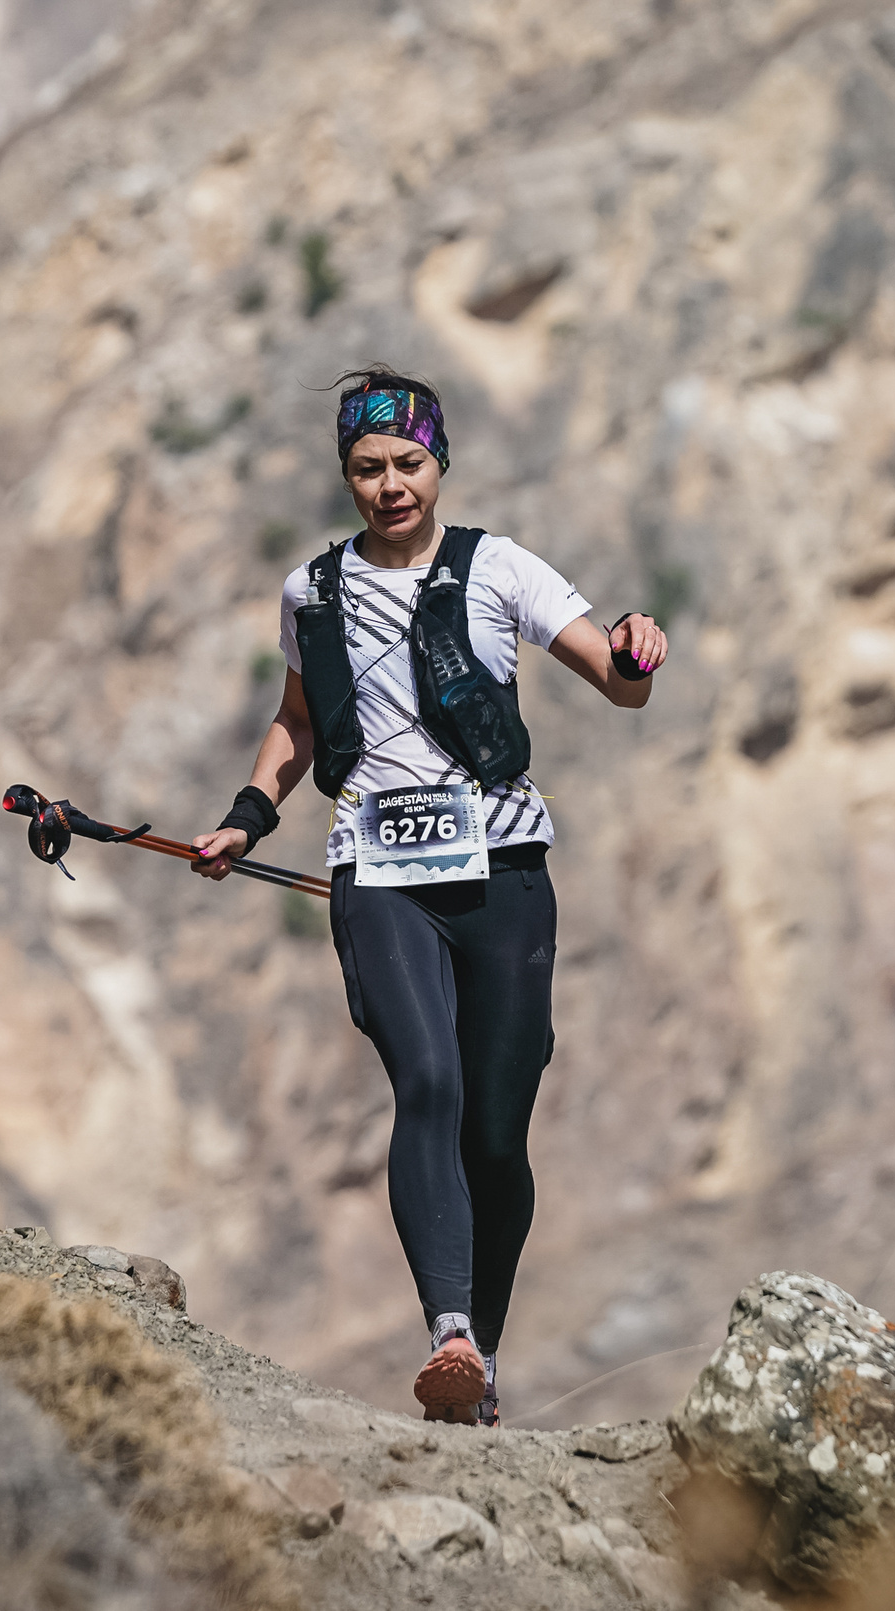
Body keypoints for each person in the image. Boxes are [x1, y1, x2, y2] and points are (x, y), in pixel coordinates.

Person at [190, 368, 667, 1426]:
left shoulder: (498, 570)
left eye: (407, 463)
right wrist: (246, 815)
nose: (390, 485)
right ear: (346, 476)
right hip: (378, 875)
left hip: (503, 877)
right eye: (367, 469)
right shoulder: (311, 592)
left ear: (438, 464)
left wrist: (636, 643)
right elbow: (298, 723)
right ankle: (445, 1330)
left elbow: (615, 677)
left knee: (496, 1135)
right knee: (430, 1084)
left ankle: (479, 1359)